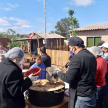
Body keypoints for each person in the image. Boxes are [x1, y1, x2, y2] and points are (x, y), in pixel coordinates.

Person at [51, 37, 97, 108]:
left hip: (82, 97)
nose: (70, 50)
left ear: (74, 48)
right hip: (91, 94)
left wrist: (58, 72)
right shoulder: (92, 56)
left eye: (70, 48)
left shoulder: (77, 58)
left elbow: (68, 78)